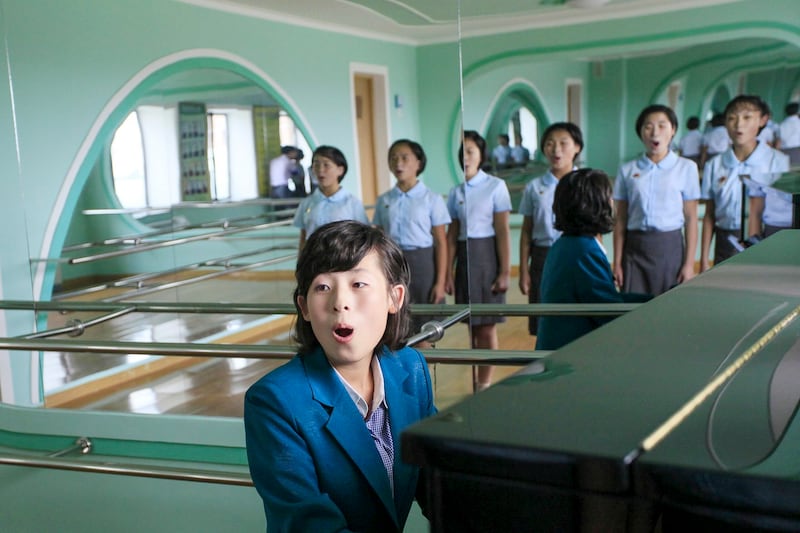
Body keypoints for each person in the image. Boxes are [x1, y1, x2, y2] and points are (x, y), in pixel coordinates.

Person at [244, 220, 436, 533]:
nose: (340, 302)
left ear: (394, 298)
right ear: (304, 308)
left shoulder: (409, 370)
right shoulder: (275, 402)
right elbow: (310, 525)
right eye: (323, 287)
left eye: (358, 284)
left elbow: (438, 484)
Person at [536, 169, 651, 351]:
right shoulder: (584, 250)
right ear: (595, 206)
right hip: (571, 354)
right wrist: (653, 309)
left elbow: (603, 296)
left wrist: (653, 301)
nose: (613, 203)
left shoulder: (566, 244)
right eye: (609, 197)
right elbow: (607, 310)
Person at [446, 130, 511, 392]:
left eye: (471, 151)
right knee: (472, 328)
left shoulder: (495, 186)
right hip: (464, 258)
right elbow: (452, 235)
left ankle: (485, 382)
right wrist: (449, 272)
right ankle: (475, 379)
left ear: (481, 155)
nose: (466, 157)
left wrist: (505, 271)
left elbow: (503, 231)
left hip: (487, 257)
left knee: (487, 327)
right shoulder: (455, 191)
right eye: (462, 152)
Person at [613, 104, 699, 296]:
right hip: (635, 249)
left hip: (670, 248)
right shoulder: (627, 170)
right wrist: (617, 262)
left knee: (668, 309)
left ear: (673, 130)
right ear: (641, 132)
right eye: (648, 126)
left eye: (662, 126)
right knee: (633, 310)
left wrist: (689, 265)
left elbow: (691, 218)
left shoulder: (686, 167)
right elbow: (621, 219)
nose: (655, 133)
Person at [373, 139, 451, 346]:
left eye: (404, 157)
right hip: (392, 263)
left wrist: (440, 282)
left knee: (423, 330)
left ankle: (422, 374)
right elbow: (378, 239)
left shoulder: (431, 199)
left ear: (418, 163)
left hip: (423, 264)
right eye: (393, 158)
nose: (398, 163)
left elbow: (441, 243)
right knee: (395, 325)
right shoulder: (384, 200)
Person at [700, 95, 790, 271]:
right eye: (732, 118)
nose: (739, 124)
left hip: (765, 242)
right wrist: (704, 260)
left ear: (763, 120)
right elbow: (709, 215)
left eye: (747, 117)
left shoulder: (777, 162)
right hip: (725, 241)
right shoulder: (715, 165)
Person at [518, 122, 583, 336]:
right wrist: (524, 271)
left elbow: (596, 230)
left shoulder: (585, 183)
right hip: (542, 255)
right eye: (550, 144)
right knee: (543, 320)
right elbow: (527, 231)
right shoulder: (534, 187)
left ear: (577, 147)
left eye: (564, 143)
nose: (556, 150)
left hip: (578, 255)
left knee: (576, 319)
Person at [292, 145, 369, 250]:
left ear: (340, 170)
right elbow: (303, 238)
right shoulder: (306, 203)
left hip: (344, 261)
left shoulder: (352, 203)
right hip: (314, 261)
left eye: (326, 165)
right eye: (316, 164)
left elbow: (363, 237)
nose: (320, 170)